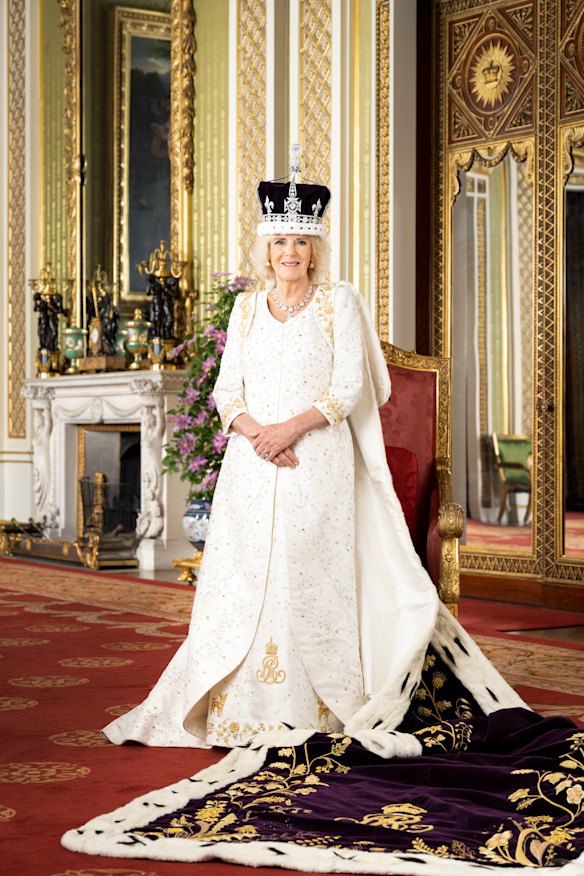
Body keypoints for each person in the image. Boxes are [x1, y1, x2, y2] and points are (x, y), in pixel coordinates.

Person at [103, 149, 523, 751]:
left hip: (316, 460)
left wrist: (287, 431)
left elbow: (348, 389)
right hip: (251, 467)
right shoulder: (247, 309)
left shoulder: (338, 304)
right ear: (265, 250)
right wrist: (256, 434)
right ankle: (236, 708)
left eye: (301, 241)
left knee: (306, 572)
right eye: (280, 242)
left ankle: (317, 706)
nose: (290, 252)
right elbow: (226, 391)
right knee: (251, 578)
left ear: (315, 249)